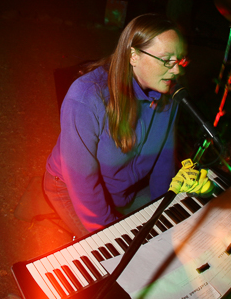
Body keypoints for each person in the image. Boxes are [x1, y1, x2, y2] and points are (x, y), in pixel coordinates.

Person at [44, 14, 189, 238]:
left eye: (180, 60)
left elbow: (164, 163)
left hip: (124, 190)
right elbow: (84, 183)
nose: (177, 70)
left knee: (167, 235)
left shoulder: (169, 93)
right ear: (133, 56)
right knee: (117, 258)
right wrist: (113, 235)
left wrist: (164, 217)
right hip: (71, 190)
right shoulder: (86, 97)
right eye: (167, 60)